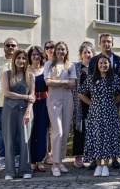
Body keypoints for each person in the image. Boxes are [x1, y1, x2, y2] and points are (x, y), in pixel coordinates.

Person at [79, 54, 120, 177]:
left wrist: (111, 102)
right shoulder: (91, 79)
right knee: (97, 138)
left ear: (109, 65)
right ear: (97, 65)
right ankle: (98, 165)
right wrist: (91, 103)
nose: (103, 65)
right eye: (101, 63)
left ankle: (105, 165)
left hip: (110, 112)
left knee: (108, 138)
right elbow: (81, 93)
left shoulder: (114, 78)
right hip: (95, 113)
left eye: (105, 63)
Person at [88, 33, 120, 170]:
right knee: (97, 130)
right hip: (97, 101)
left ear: (112, 43)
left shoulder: (119, 60)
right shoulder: (94, 60)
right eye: (103, 41)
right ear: (99, 43)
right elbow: (92, 80)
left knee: (112, 129)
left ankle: (113, 158)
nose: (106, 44)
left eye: (109, 41)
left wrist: (113, 100)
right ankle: (95, 159)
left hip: (114, 99)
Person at [44, 41, 76, 177]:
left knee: (65, 131)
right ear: (55, 51)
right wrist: (64, 82)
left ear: (66, 51)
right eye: (59, 49)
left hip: (68, 99)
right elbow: (48, 82)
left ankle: (61, 161)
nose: (61, 51)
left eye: (63, 49)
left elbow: (73, 84)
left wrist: (59, 83)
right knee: (58, 131)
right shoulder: (49, 64)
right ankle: (54, 164)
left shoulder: (71, 65)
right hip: (54, 100)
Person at [2, 50, 35, 180]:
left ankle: (25, 170)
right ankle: (9, 171)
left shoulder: (31, 76)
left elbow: (32, 98)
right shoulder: (7, 74)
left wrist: (28, 111)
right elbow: (7, 93)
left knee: (25, 141)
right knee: (9, 140)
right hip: (9, 111)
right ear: (14, 60)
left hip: (25, 111)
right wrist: (25, 96)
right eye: (18, 58)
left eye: (23, 58)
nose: (21, 61)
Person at [0, 38, 20, 170]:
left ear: (17, 47)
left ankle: (16, 157)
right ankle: (3, 158)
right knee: (1, 131)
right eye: (8, 45)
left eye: (13, 45)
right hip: (0, 102)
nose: (10, 47)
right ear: (4, 47)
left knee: (16, 131)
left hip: (17, 102)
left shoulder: (21, 62)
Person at [72, 41, 96, 168]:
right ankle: (79, 156)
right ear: (81, 54)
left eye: (90, 52)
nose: (88, 54)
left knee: (92, 129)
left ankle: (92, 155)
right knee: (79, 129)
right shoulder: (76, 67)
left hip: (93, 103)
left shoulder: (96, 66)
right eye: (85, 52)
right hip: (79, 102)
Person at [28, 46, 50, 173]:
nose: (36, 57)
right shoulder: (26, 70)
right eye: (33, 54)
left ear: (42, 56)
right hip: (30, 104)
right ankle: (31, 160)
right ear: (30, 56)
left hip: (43, 104)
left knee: (42, 131)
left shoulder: (45, 69)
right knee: (30, 132)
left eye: (38, 55)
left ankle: (40, 160)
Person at [43, 40, 55, 165]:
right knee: (44, 127)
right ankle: (45, 154)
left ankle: (52, 153)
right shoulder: (43, 64)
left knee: (54, 127)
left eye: (52, 47)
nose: (50, 49)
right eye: (48, 47)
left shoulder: (58, 63)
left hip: (54, 98)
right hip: (42, 99)